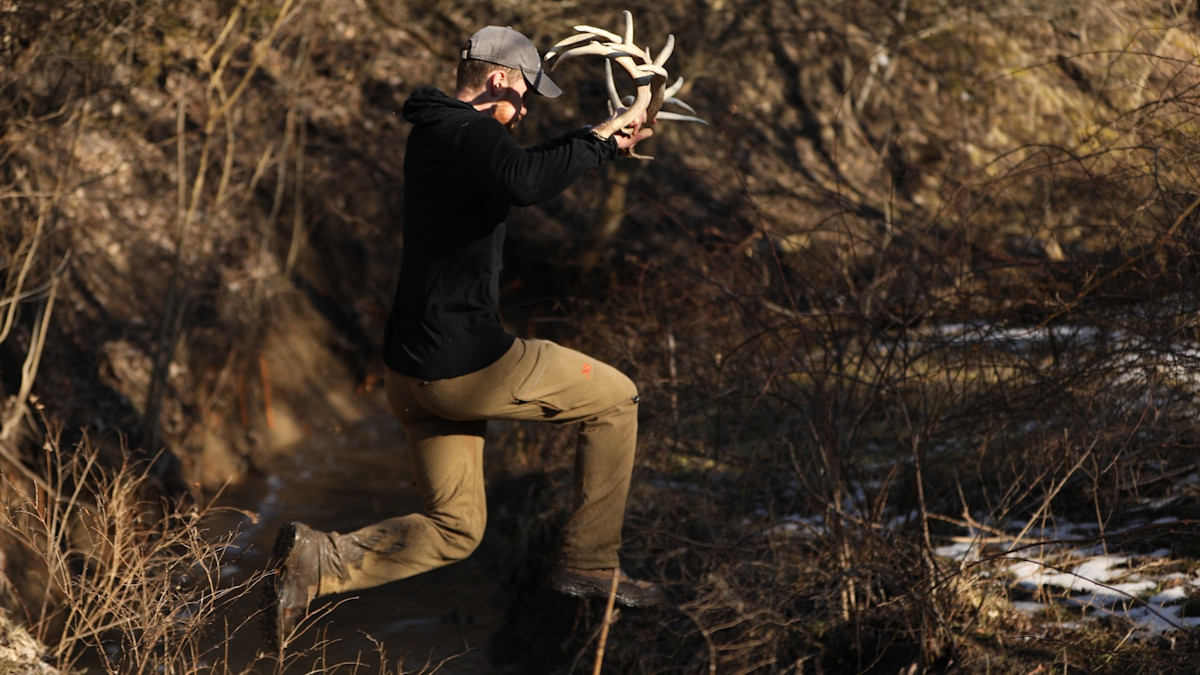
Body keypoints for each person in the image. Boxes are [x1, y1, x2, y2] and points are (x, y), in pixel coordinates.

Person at [264, 24, 663, 650]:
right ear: (499, 76)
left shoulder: (438, 131)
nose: (526, 108)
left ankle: (322, 560)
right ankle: (591, 561)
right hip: (466, 367)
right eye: (525, 92)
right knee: (617, 399)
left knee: (456, 528)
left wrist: (599, 142)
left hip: (411, 375)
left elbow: (519, 169)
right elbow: (527, 183)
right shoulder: (467, 131)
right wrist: (608, 131)